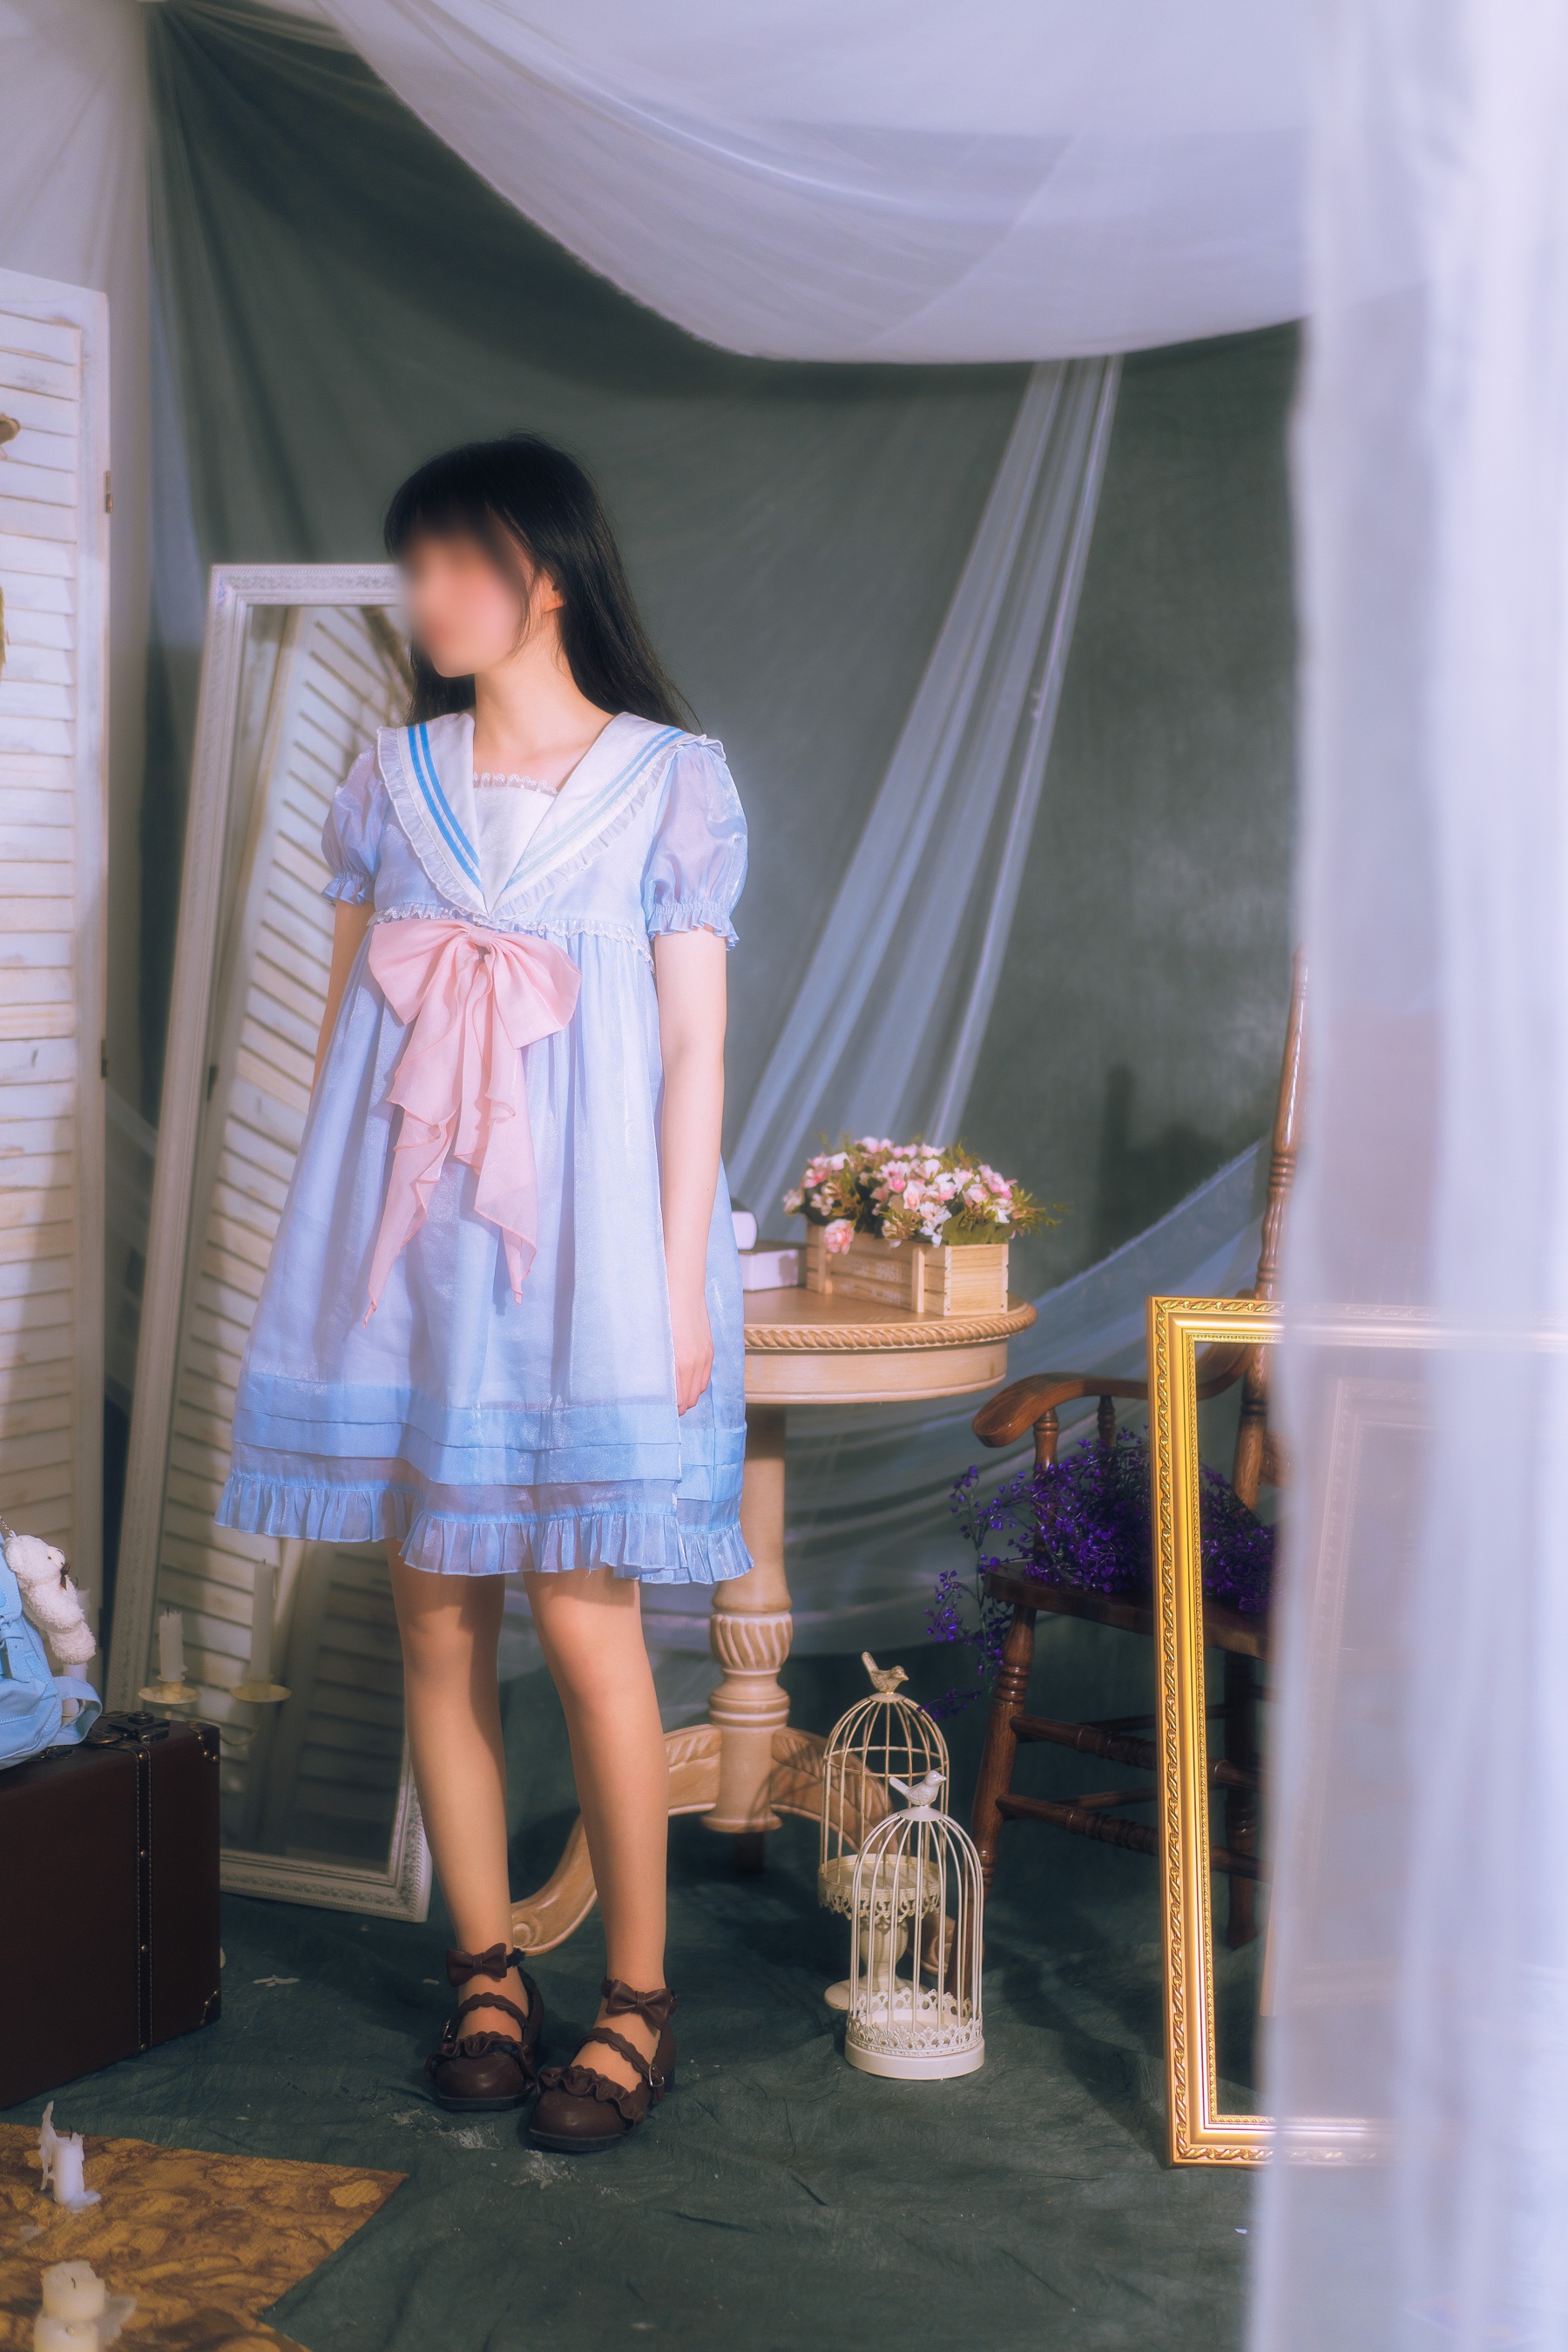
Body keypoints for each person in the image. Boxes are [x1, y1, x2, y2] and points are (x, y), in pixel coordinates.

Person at [215, 435, 750, 2153]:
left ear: (548, 574)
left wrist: (678, 1286)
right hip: (414, 1251)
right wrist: (323, 1259)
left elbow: (691, 1053)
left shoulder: (668, 782)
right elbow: (342, 1044)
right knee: (436, 1621)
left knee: (590, 1630)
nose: (423, 593)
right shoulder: (392, 779)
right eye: (415, 563)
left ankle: (638, 2003)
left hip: (592, 1259)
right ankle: (486, 1971)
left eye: (455, 560)